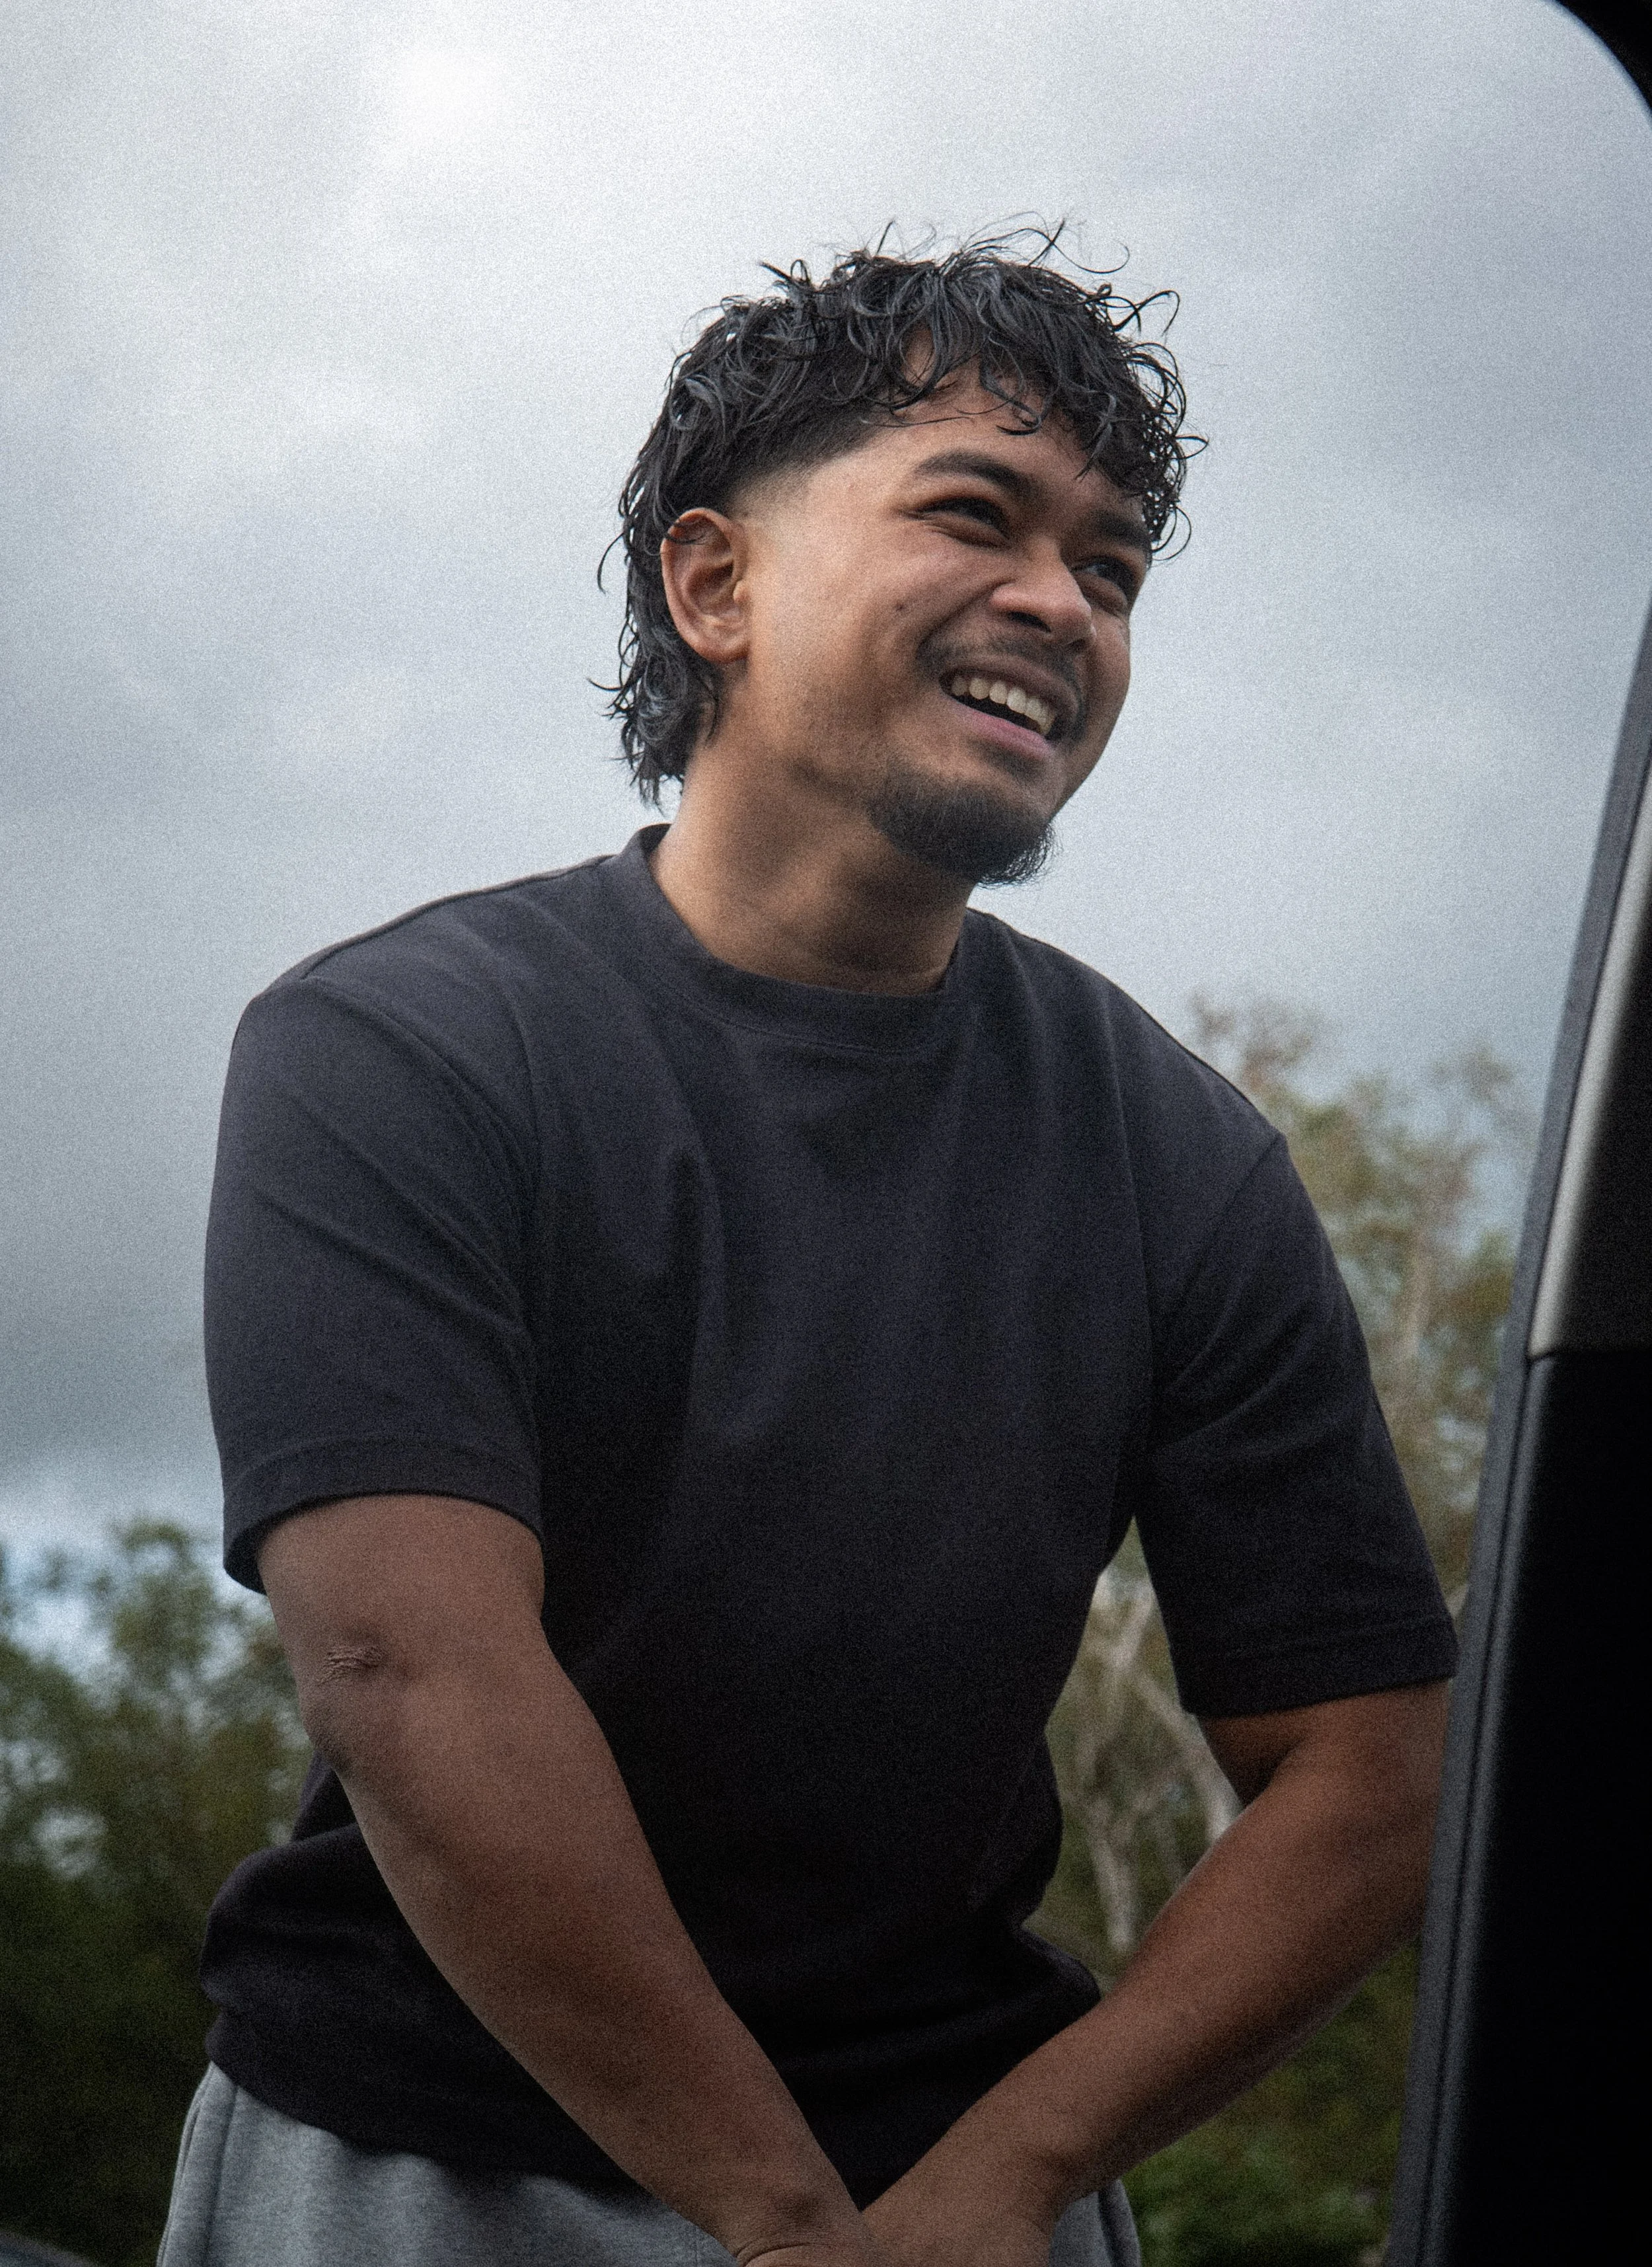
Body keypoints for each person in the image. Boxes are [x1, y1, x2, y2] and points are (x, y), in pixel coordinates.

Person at [159, 241, 1457, 2267]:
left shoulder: (1181, 1159)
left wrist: (1011, 2176)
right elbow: (408, 1666)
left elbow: (1368, 1762)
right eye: (975, 512)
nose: (1062, 603)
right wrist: (778, 2222)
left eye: (1111, 570)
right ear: (715, 588)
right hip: (423, 2163)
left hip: (957, 2198)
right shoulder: (397, 1047)